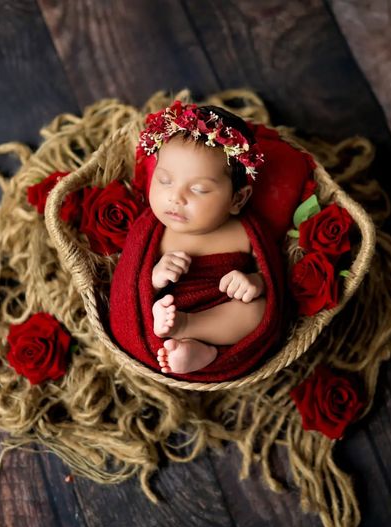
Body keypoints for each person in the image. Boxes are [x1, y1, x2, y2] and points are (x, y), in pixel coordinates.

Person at [109, 101, 284, 380]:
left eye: (199, 189)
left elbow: (274, 280)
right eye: (164, 180)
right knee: (159, 315)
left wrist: (254, 282)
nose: (176, 198)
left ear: (238, 199)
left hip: (217, 315)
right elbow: (128, 285)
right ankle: (193, 348)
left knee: (257, 312)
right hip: (165, 310)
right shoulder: (152, 229)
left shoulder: (247, 231)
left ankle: (192, 333)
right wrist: (153, 278)